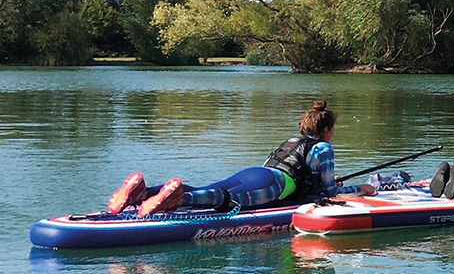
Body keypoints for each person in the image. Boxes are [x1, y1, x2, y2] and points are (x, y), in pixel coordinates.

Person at [105, 100, 375, 218]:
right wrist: (361, 189)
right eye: (333, 129)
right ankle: (178, 199)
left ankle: (143, 193)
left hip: (254, 173)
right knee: (226, 200)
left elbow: (305, 175)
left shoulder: (293, 141)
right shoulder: (324, 148)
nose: (334, 133)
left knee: (208, 189)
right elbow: (330, 193)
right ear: (326, 129)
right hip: (275, 185)